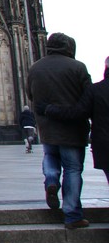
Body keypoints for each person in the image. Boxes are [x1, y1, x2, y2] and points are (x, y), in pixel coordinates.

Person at [28, 33, 92, 229]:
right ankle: (72, 215)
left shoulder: (35, 68)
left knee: (50, 156)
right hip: (72, 129)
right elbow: (89, 98)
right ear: (68, 47)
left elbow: (30, 94)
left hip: (47, 128)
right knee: (72, 169)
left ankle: (51, 180)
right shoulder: (78, 67)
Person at [44, 56, 109, 184]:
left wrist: (50, 109)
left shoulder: (96, 90)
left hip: (105, 143)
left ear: (106, 67)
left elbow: (78, 112)